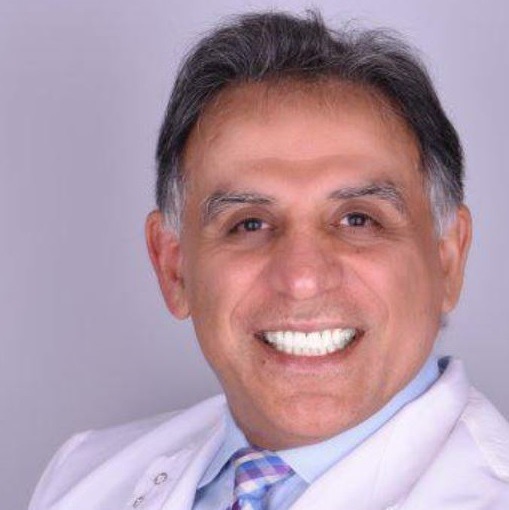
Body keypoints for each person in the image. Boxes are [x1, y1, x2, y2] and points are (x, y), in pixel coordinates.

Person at [29, 10, 509, 510]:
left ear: (447, 259)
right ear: (173, 269)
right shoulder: (80, 479)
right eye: (249, 224)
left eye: (358, 220)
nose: (302, 278)